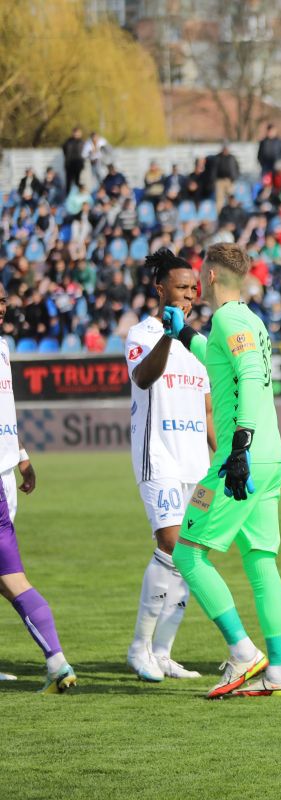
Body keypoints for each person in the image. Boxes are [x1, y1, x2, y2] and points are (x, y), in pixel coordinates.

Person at [174, 243, 281, 699]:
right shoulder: (249, 320)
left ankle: (244, 654)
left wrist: (239, 446)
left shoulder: (227, 318)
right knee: (261, 561)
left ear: (210, 276)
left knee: (187, 554)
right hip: (271, 457)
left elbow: (243, 370)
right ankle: (279, 673)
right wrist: (185, 336)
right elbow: (225, 364)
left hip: (241, 459)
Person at [123, 249, 214, 682]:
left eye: (193, 289)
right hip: (159, 459)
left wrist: (229, 461)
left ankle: (163, 651)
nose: (190, 296)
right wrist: (167, 335)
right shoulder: (141, 333)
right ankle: (139, 647)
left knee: (192, 554)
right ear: (160, 289)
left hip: (199, 466)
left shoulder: (199, 345)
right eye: (181, 288)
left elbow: (210, 410)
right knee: (173, 547)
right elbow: (144, 377)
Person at [0, 283, 75, 692]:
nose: (2, 306)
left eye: (2, 300)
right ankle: (57, 661)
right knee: (9, 578)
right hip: (4, 477)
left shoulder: (3, 348)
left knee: (11, 580)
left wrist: (22, 452)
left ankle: (57, 662)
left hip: (3, 475)